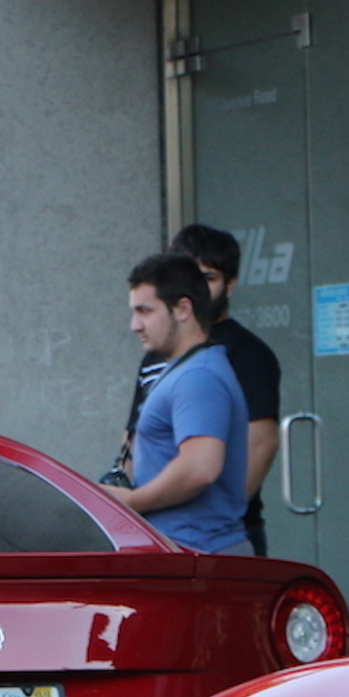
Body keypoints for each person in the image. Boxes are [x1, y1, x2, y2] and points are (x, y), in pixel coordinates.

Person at [107, 226, 284, 554]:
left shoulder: (203, 373)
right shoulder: (180, 366)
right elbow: (137, 439)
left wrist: (133, 502)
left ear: (183, 309)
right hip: (184, 547)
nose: (135, 325)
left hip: (198, 550)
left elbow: (203, 467)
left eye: (145, 311)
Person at [169, 225, 283, 553]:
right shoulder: (161, 353)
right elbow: (133, 443)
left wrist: (211, 520)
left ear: (230, 285)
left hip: (222, 537)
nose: (196, 289)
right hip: (160, 532)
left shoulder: (247, 354)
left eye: (209, 277)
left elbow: (261, 445)